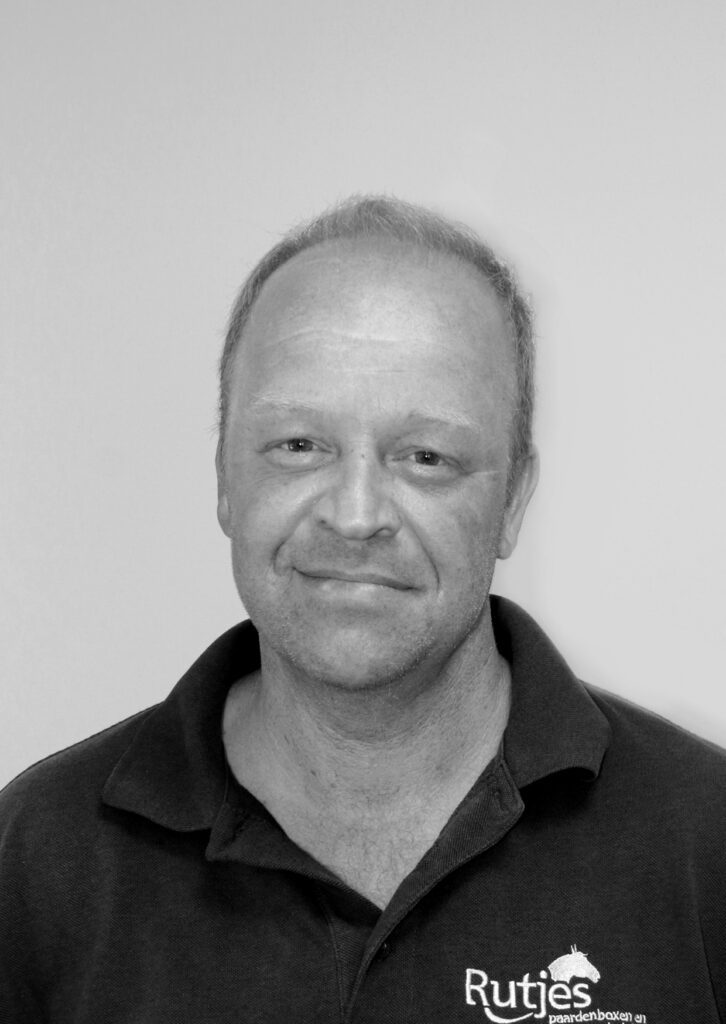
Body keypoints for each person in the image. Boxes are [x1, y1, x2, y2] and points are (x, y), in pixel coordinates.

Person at [1, 196, 724, 1024]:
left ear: (514, 501)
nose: (355, 515)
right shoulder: (38, 857)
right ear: (226, 478)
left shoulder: (706, 842)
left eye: (427, 456)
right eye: (299, 445)